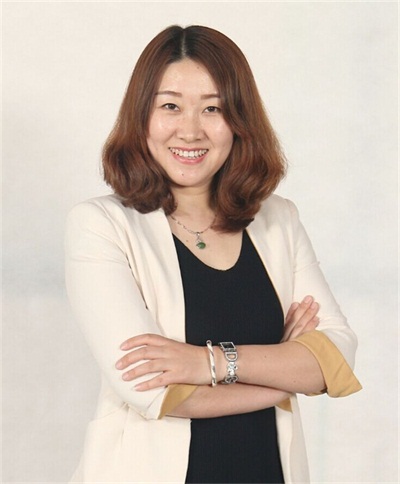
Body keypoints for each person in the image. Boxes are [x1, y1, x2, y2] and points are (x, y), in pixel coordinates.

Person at [65, 25, 362, 484]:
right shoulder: (101, 225)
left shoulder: (278, 220)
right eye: (170, 106)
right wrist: (287, 369)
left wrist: (206, 364)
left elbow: (337, 356)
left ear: (239, 120)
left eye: (213, 108)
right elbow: (154, 390)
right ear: (141, 115)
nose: (190, 130)